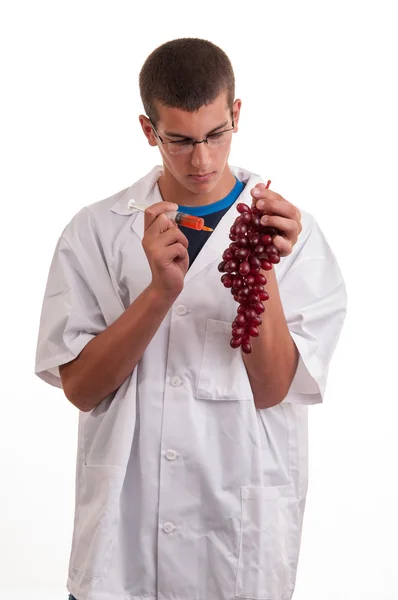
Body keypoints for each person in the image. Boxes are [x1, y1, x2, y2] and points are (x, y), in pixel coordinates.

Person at [35, 38, 347, 600]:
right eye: (178, 140)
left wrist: (262, 265)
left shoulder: (293, 236)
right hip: (122, 545)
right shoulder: (96, 231)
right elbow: (80, 388)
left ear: (236, 115)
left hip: (237, 536)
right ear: (148, 129)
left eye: (215, 135)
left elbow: (274, 387)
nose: (201, 160)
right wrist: (158, 294)